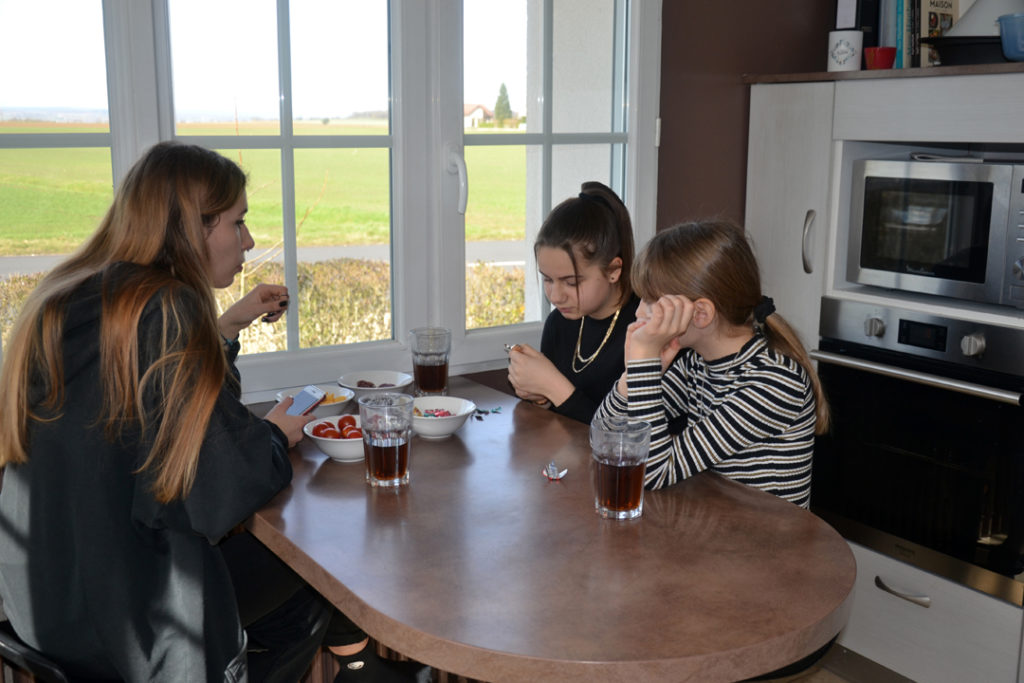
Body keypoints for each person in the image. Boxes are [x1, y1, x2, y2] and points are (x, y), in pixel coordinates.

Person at [0, 142, 422, 682]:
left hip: (47, 598)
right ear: (194, 226)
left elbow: (149, 407)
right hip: (134, 616)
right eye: (238, 222)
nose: (248, 240)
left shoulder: (73, 293)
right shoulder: (165, 308)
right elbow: (218, 491)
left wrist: (222, 330)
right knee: (322, 557)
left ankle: (357, 666)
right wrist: (276, 437)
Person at [594, 220, 830, 507]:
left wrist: (644, 361)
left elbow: (650, 473)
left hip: (763, 535)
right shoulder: (696, 364)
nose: (639, 312)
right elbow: (605, 436)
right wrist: (633, 375)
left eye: (651, 300)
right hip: (717, 523)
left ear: (700, 314)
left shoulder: (776, 382)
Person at [507, 181, 640, 423]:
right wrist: (541, 397)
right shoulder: (559, 323)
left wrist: (554, 387)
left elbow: (629, 436)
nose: (556, 296)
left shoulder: (646, 330)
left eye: (571, 282)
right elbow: (558, 422)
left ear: (613, 270)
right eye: (547, 279)